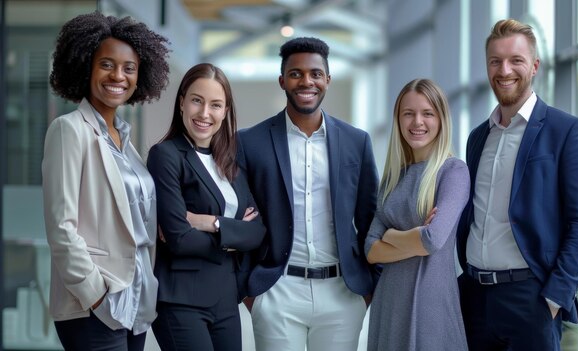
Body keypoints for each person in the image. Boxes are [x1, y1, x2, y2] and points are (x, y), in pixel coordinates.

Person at [456, 18, 578, 350]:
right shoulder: (478, 138)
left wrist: (554, 297)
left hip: (531, 300)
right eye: (496, 61)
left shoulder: (567, 131)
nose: (504, 69)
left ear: (534, 66)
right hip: (475, 299)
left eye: (515, 60)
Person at [237, 37, 379, 351]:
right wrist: (252, 292)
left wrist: (369, 288)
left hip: (342, 293)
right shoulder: (249, 142)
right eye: (296, 73)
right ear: (282, 80)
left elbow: (371, 220)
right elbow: (243, 219)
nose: (306, 81)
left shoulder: (357, 141)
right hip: (277, 291)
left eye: (315, 73)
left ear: (327, 80)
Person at [42, 11, 170, 351]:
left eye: (129, 68)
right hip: (94, 306)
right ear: (86, 68)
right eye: (107, 65)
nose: (119, 76)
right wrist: (97, 297)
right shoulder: (69, 130)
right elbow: (61, 227)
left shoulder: (126, 143)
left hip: (137, 301)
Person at [146, 63, 266, 351]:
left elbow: (257, 233)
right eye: (197, 100)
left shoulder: (230, 163)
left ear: (225, 112)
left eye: (215, 105)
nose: (204, 113)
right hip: (181, 300)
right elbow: (178, 238)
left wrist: (212, 223)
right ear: (182, 102)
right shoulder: (166, 156)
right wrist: (233, 238)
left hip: (225, 299)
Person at [365, 78, 470, 351]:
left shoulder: (453, 172)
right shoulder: (392, 178)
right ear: (398, 120)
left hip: (430, 303)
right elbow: (371, 250)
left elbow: (432, 240)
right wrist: (412, 237)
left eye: (427, 113)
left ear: (441, 118)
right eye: (408, 113)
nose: (417, 122)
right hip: (389, 302)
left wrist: (390, 234)